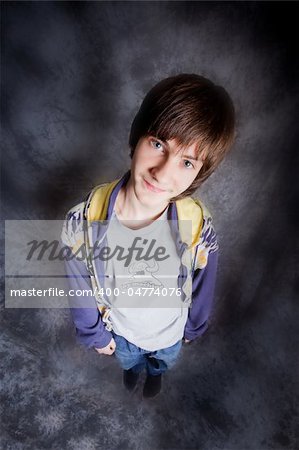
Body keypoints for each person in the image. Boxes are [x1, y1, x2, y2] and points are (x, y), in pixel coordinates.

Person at [61, 73, 235, 398]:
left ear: (199, 174)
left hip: (171, 334)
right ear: (137, 137)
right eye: (158, 144)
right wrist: (94, 334)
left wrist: (193, 327)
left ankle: (156, 372)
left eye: (186, 162)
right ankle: (133, 369)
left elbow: (204, 280)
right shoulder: (82, 221)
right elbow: (80, 285)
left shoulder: (196, 223)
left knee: (162, 361)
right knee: (130, 361)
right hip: (122, 333)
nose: (163, 172)